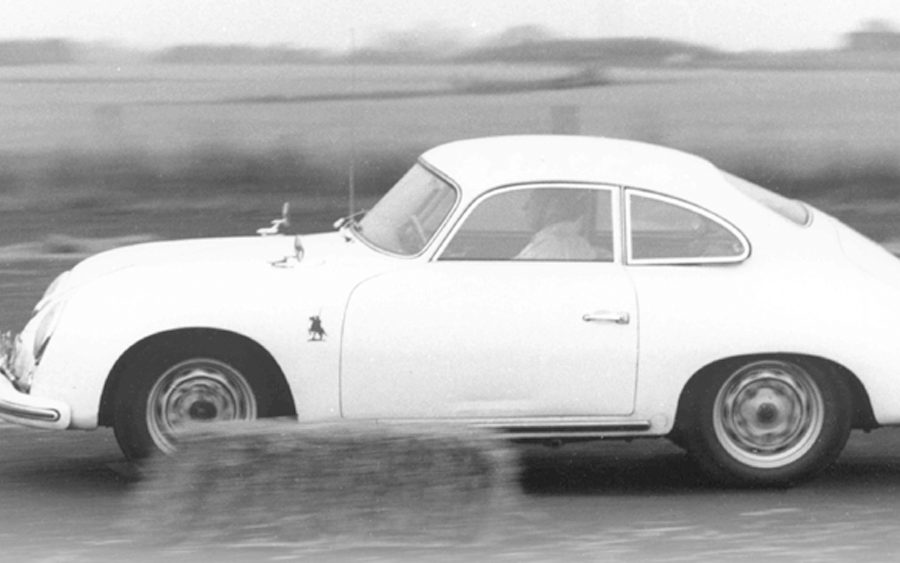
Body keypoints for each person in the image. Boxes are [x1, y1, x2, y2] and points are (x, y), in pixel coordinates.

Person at [515, 189, 598, 260]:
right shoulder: (580, 244)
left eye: (533, 200)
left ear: (552, 206)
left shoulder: (549, 247)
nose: (525, 206)